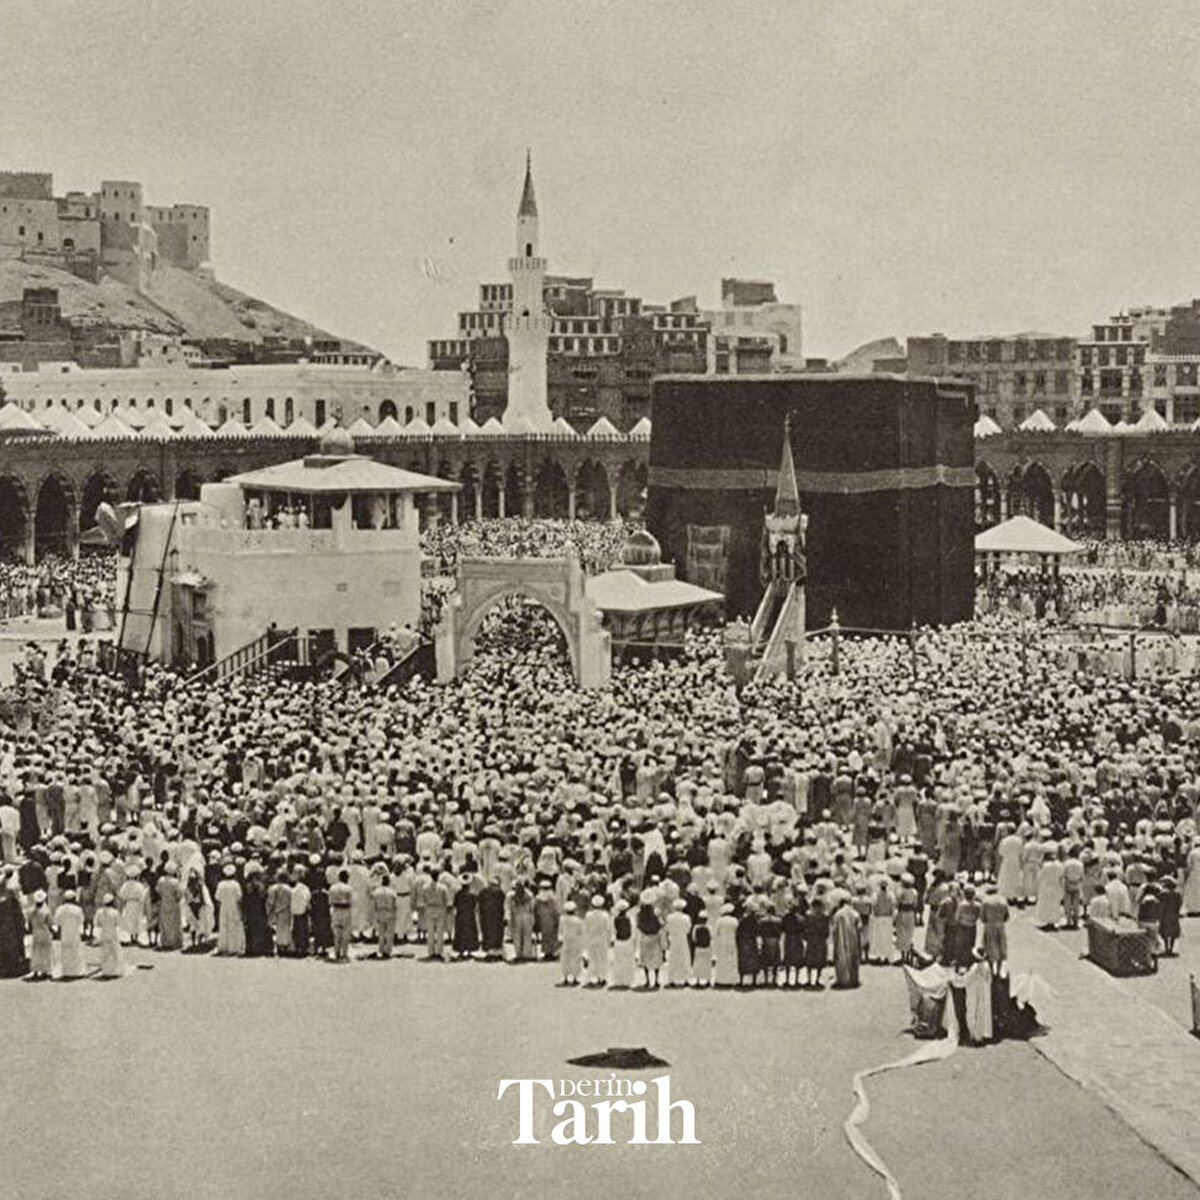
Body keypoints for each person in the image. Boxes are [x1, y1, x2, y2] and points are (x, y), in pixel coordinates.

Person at [54, 888, 86, 980]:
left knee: (66, 953)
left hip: (65, 932)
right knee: (76, 952)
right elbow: (81, 920)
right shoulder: (78, 909)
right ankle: (77, 972)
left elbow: (57, 921)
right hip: (75, 932)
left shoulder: (60, 909)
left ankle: (67, 971)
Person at [0, 878, 29, 978]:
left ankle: (6, 968)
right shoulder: (12, 904)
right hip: (11, 930)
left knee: (5, 950)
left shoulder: (4, 904)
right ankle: (12, 968)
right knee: (12, 950)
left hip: (5, 931)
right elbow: (19, 917)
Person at [831, 895, 861, 988]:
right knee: (853, 957)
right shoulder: (855, 913)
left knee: (841, 957)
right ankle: (853, 979)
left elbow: (834, 928)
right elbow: (859, 927)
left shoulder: (837, 914)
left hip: (840, 938)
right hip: (853, 937)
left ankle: (842, 979)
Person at [214, 865, 245, 957]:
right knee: (234, 926)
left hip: (223, 907)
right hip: (234, 907)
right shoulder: (236, 884)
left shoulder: (221, 884)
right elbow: (239, 898)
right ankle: (234, 947)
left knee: (223, 927)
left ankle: (223, 947)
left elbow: (217, 898)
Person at [979, 883, 1009, 973]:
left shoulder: (985, 901)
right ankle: (999, 968)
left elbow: (982, 917)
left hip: (990, 925)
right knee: (1001, 945)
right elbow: (1007, 916)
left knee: (990, 946)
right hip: (1000, 925)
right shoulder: (1003, 900)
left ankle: (992, 969)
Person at [637, 893, 664, 989]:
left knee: (645, 960)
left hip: (645, 936)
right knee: (656, 959)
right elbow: (661, 924)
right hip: (654, 936)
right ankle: (656, 980)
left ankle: (647, 980)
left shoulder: (640, 913)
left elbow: (638, 925)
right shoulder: (656, 912)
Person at [583, 894, 611, 987]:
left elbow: (585, 928)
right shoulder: (605, 915)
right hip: (602, 939)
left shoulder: (588, 915)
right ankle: (601, 978)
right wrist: (609, 940)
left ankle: (591, 978)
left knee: (592, 959)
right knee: (602, 959)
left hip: (591, 939)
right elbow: (608, 929)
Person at [665, 898, 692, 988]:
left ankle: (671, 979)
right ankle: (685, 979)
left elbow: (667, 929)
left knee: (673, 959)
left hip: (673, 939)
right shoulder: (686, 917)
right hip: (683, 939)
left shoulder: (669, 917)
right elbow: (688, 929)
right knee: (684, 959)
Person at [95, 893, 123, 979]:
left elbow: (97, 923)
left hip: (103, 933)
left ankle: (106, 970)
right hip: (112, 933)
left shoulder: (99, 912)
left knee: (105, 953)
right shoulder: (115, 912)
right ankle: (114, 971)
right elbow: (118, 923)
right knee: (114, 952)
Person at [329, 869, 354, 963]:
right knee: (345, 934)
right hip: (345, 910)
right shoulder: (348, 888)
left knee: (336, 933)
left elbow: (330, 901)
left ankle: (336, 953)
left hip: (335, 910)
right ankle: (344, 954)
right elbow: (351, 902)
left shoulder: (332, 887)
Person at [156, 863, 183, 952]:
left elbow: (158, 891)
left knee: (164, 923)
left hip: (164, 903)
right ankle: (174, 942)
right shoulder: (175, 881)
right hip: (173, 903)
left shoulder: (161, 880)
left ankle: (165, 941)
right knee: (174, 923)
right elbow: (179, 894)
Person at [28, 890, 53, 980]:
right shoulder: (46, 911)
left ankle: (35, 970)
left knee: (36, 952)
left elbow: (29, 923)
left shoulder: (31, 911)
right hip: (44, 932)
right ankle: (45, 971)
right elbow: (49, 923)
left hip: (36, 932)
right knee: (45, 952)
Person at [611, 900, 636, 988]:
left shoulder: (615, 919)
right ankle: (628, 980)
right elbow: (633, 929)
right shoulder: (630, 918)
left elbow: (613, 930)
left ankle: (618, 980)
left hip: (618, 941)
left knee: (618, 961)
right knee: (628, 961)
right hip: (628, 941)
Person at [372, 874, 398, 959]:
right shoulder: (392, 892)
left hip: (380, 911)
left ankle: (381, 949)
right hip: (389, 912)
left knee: (381, 932)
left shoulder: (377, 891)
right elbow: (395, 904)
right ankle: (388, 950)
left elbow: (374, 904)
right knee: (389, 932)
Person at [713, 903, 739, 988]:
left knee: (721, 962)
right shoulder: (734, 920)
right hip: (732, 942)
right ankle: (731, 980)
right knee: (731, 962)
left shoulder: (719, 921)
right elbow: (737, 932)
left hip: (722, 943)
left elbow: (716, 933)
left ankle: (720, 980)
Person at [559, 900, 583, 986]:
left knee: (565, 960)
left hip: (566, 941)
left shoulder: (562, 919)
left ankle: (565, 977)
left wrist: (560, 940)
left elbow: (560, 931)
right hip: (575, 941)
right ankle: (575, 978)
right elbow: (581, 932)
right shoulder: (578, 920)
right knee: (575, 959)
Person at [1159, 878, 1182, 957]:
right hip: (1173, 915)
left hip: (1165, 915)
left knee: (1165, 932)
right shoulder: (1177, 895)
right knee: (1173, 934)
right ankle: (1171, 949)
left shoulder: (1163, 894)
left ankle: (1166, 948)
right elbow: (1179, 904)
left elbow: (1161, 905)